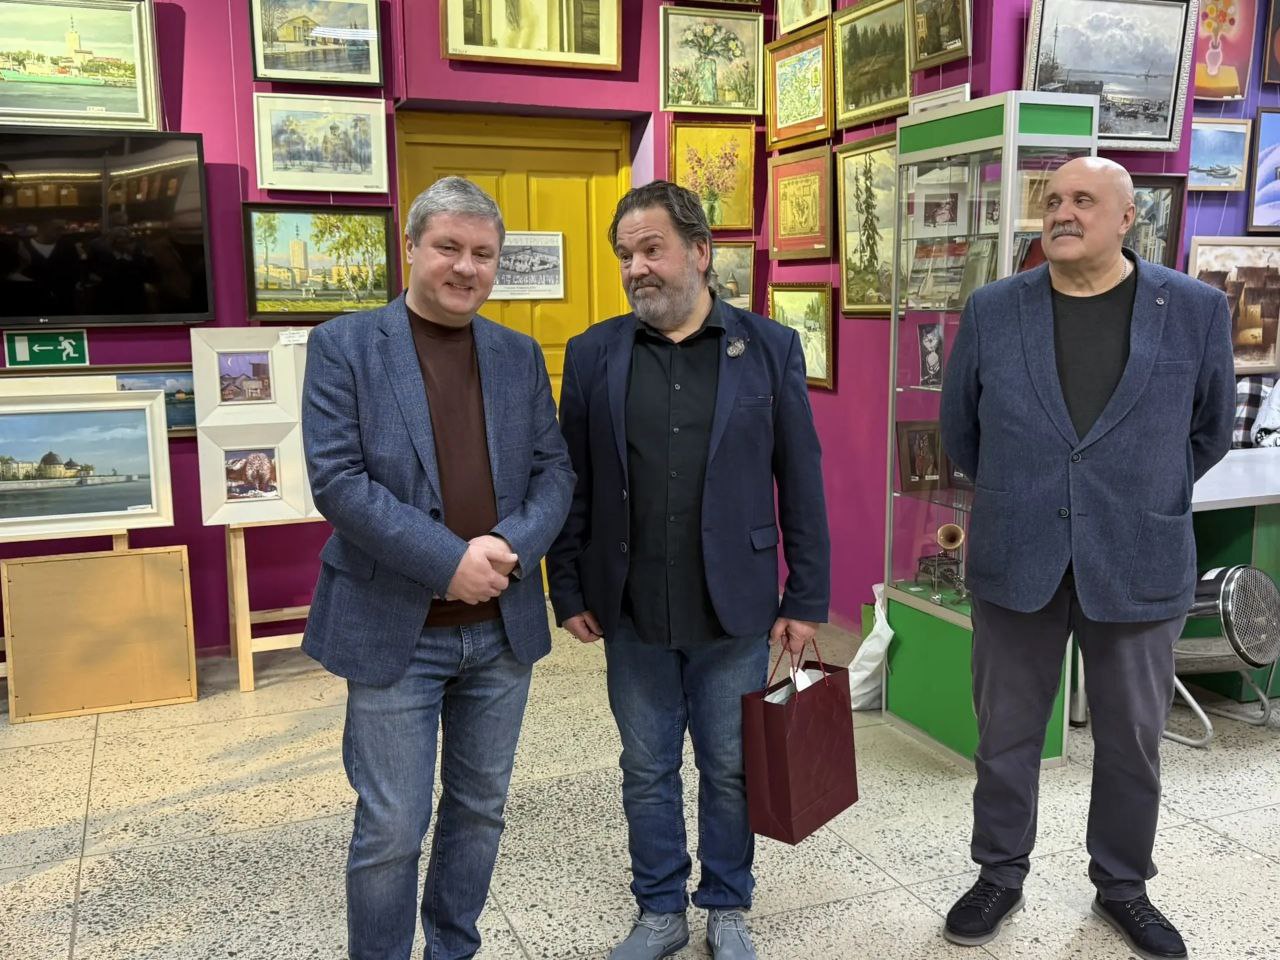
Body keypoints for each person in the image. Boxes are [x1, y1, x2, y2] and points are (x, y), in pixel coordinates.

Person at [940, 156, 1234, 960]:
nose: (1062, 213)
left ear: (1128, 218)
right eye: (1053, 200)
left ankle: (1124, 886)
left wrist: (1136, 491)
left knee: (1133, 739)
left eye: (1083, 200)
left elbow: (1208, 432)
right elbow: (961, 431)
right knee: (1006, 736)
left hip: (1138, 556)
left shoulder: (1195, 309)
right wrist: (1031, 490)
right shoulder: (995, 309)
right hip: (1017, 556)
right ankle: (999, 873)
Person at [546, 181, 831, 960]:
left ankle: (728, 904)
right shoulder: (594, 353)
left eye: (652, 249)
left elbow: (800, 478)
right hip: (629, 607)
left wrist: (806, 595)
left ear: (700, 252)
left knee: (729, 766)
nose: (637, 267)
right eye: (625, 254)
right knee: (646, 767)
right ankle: (660, 909)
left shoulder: (768, 348)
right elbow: (572, 481)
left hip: (732, 608)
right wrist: (565, 586)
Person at [301, 176, 574, 960]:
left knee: (480, 810)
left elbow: (555, 473)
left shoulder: (519, 355)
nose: (465, 267)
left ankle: (453, 948)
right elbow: (338, 482)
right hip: (396, 629)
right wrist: (449, 561)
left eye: (483, 253)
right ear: (412, 248)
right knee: (392, 826)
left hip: (500, 632)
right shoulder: (345, 346)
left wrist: (511, 548)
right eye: (448, 247)